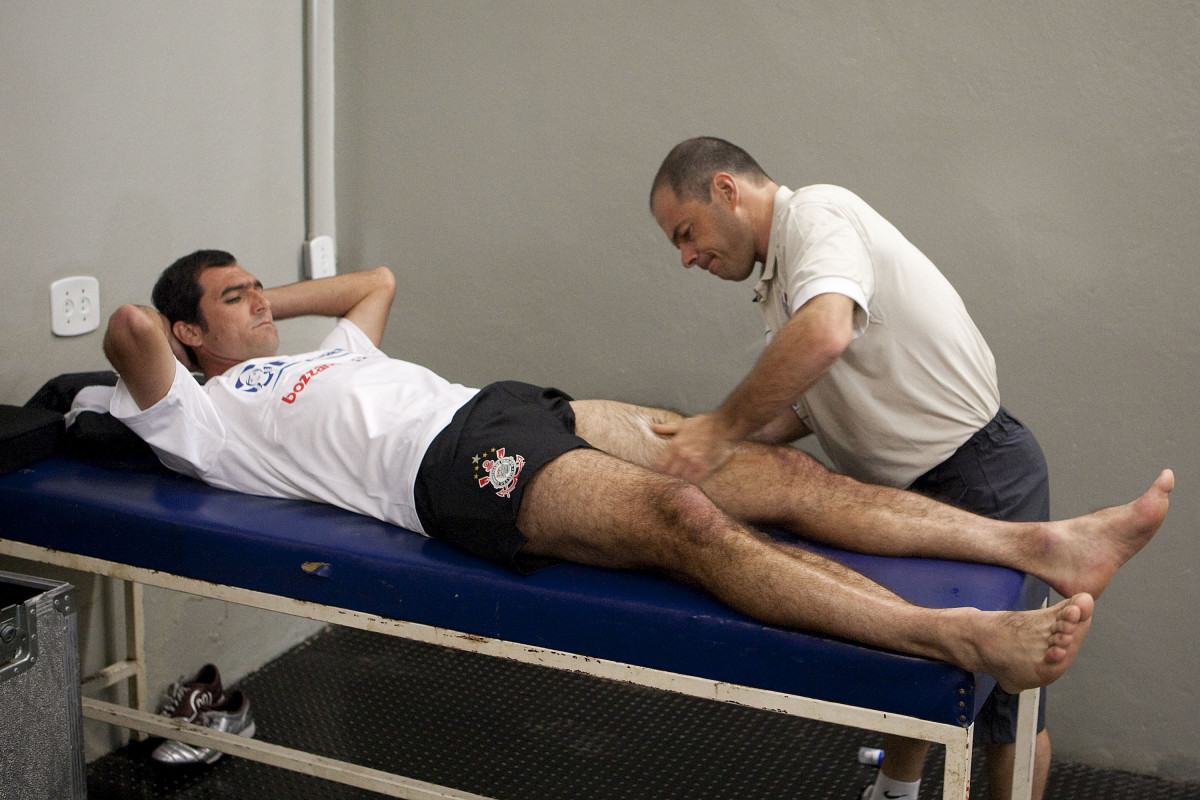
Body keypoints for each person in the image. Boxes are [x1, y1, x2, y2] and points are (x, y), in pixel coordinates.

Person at [102, 251, 1171, 726]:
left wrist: (262, 305)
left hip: (506, 405)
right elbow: (135, 329)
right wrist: (215, 339)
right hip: (441, 473)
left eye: (258, 293)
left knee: (770, 466)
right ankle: (959, 640)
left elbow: (377, 281)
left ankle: (1043, 545)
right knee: (684, 516)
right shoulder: (193, 412)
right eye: (233, 298)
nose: (258, 307)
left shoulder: (322, 353)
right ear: (195, 329)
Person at [649, 137, 1053, 799]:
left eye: (686, 234)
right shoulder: (784, 283)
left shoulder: (817, 218)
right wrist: (704, 449)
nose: (688, 257)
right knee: (923, 656)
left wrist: (720, 429)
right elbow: (807, 408)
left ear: (726, 189)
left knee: (1003, 701)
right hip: (919, 488)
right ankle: (893, 793)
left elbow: (828, 331)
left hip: (980, 474)